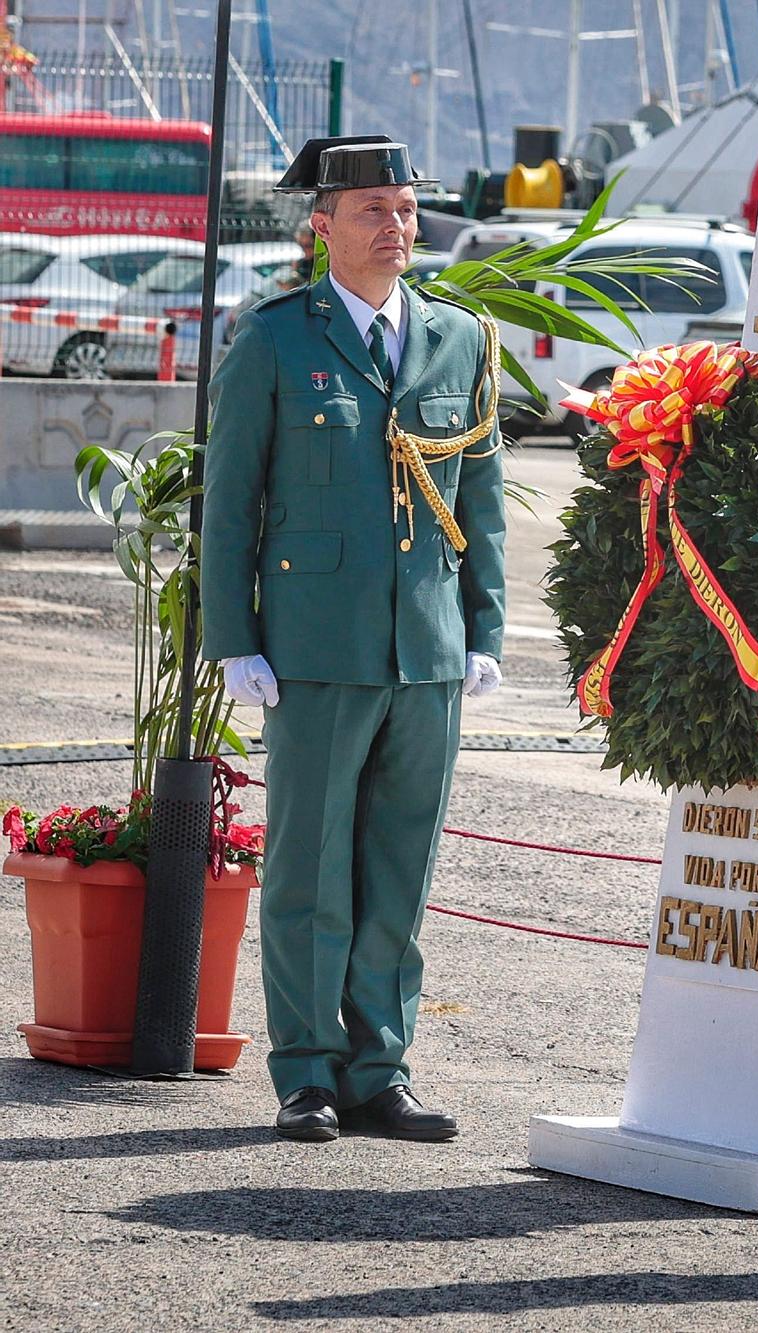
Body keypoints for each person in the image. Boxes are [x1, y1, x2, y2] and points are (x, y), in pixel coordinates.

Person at [201, 135, 508, 1144]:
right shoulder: (279, 339)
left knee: (398, 867)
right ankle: (306, 1071)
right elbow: (231, 500)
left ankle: (381, 1065)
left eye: (405, 208)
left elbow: (482, 498)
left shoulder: (458, 339)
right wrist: (232, 636)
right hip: (316, 646)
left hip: (422, 650)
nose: (395, 226)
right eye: (371, 209)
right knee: (308, 870)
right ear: (321, 226)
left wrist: (484, 626)